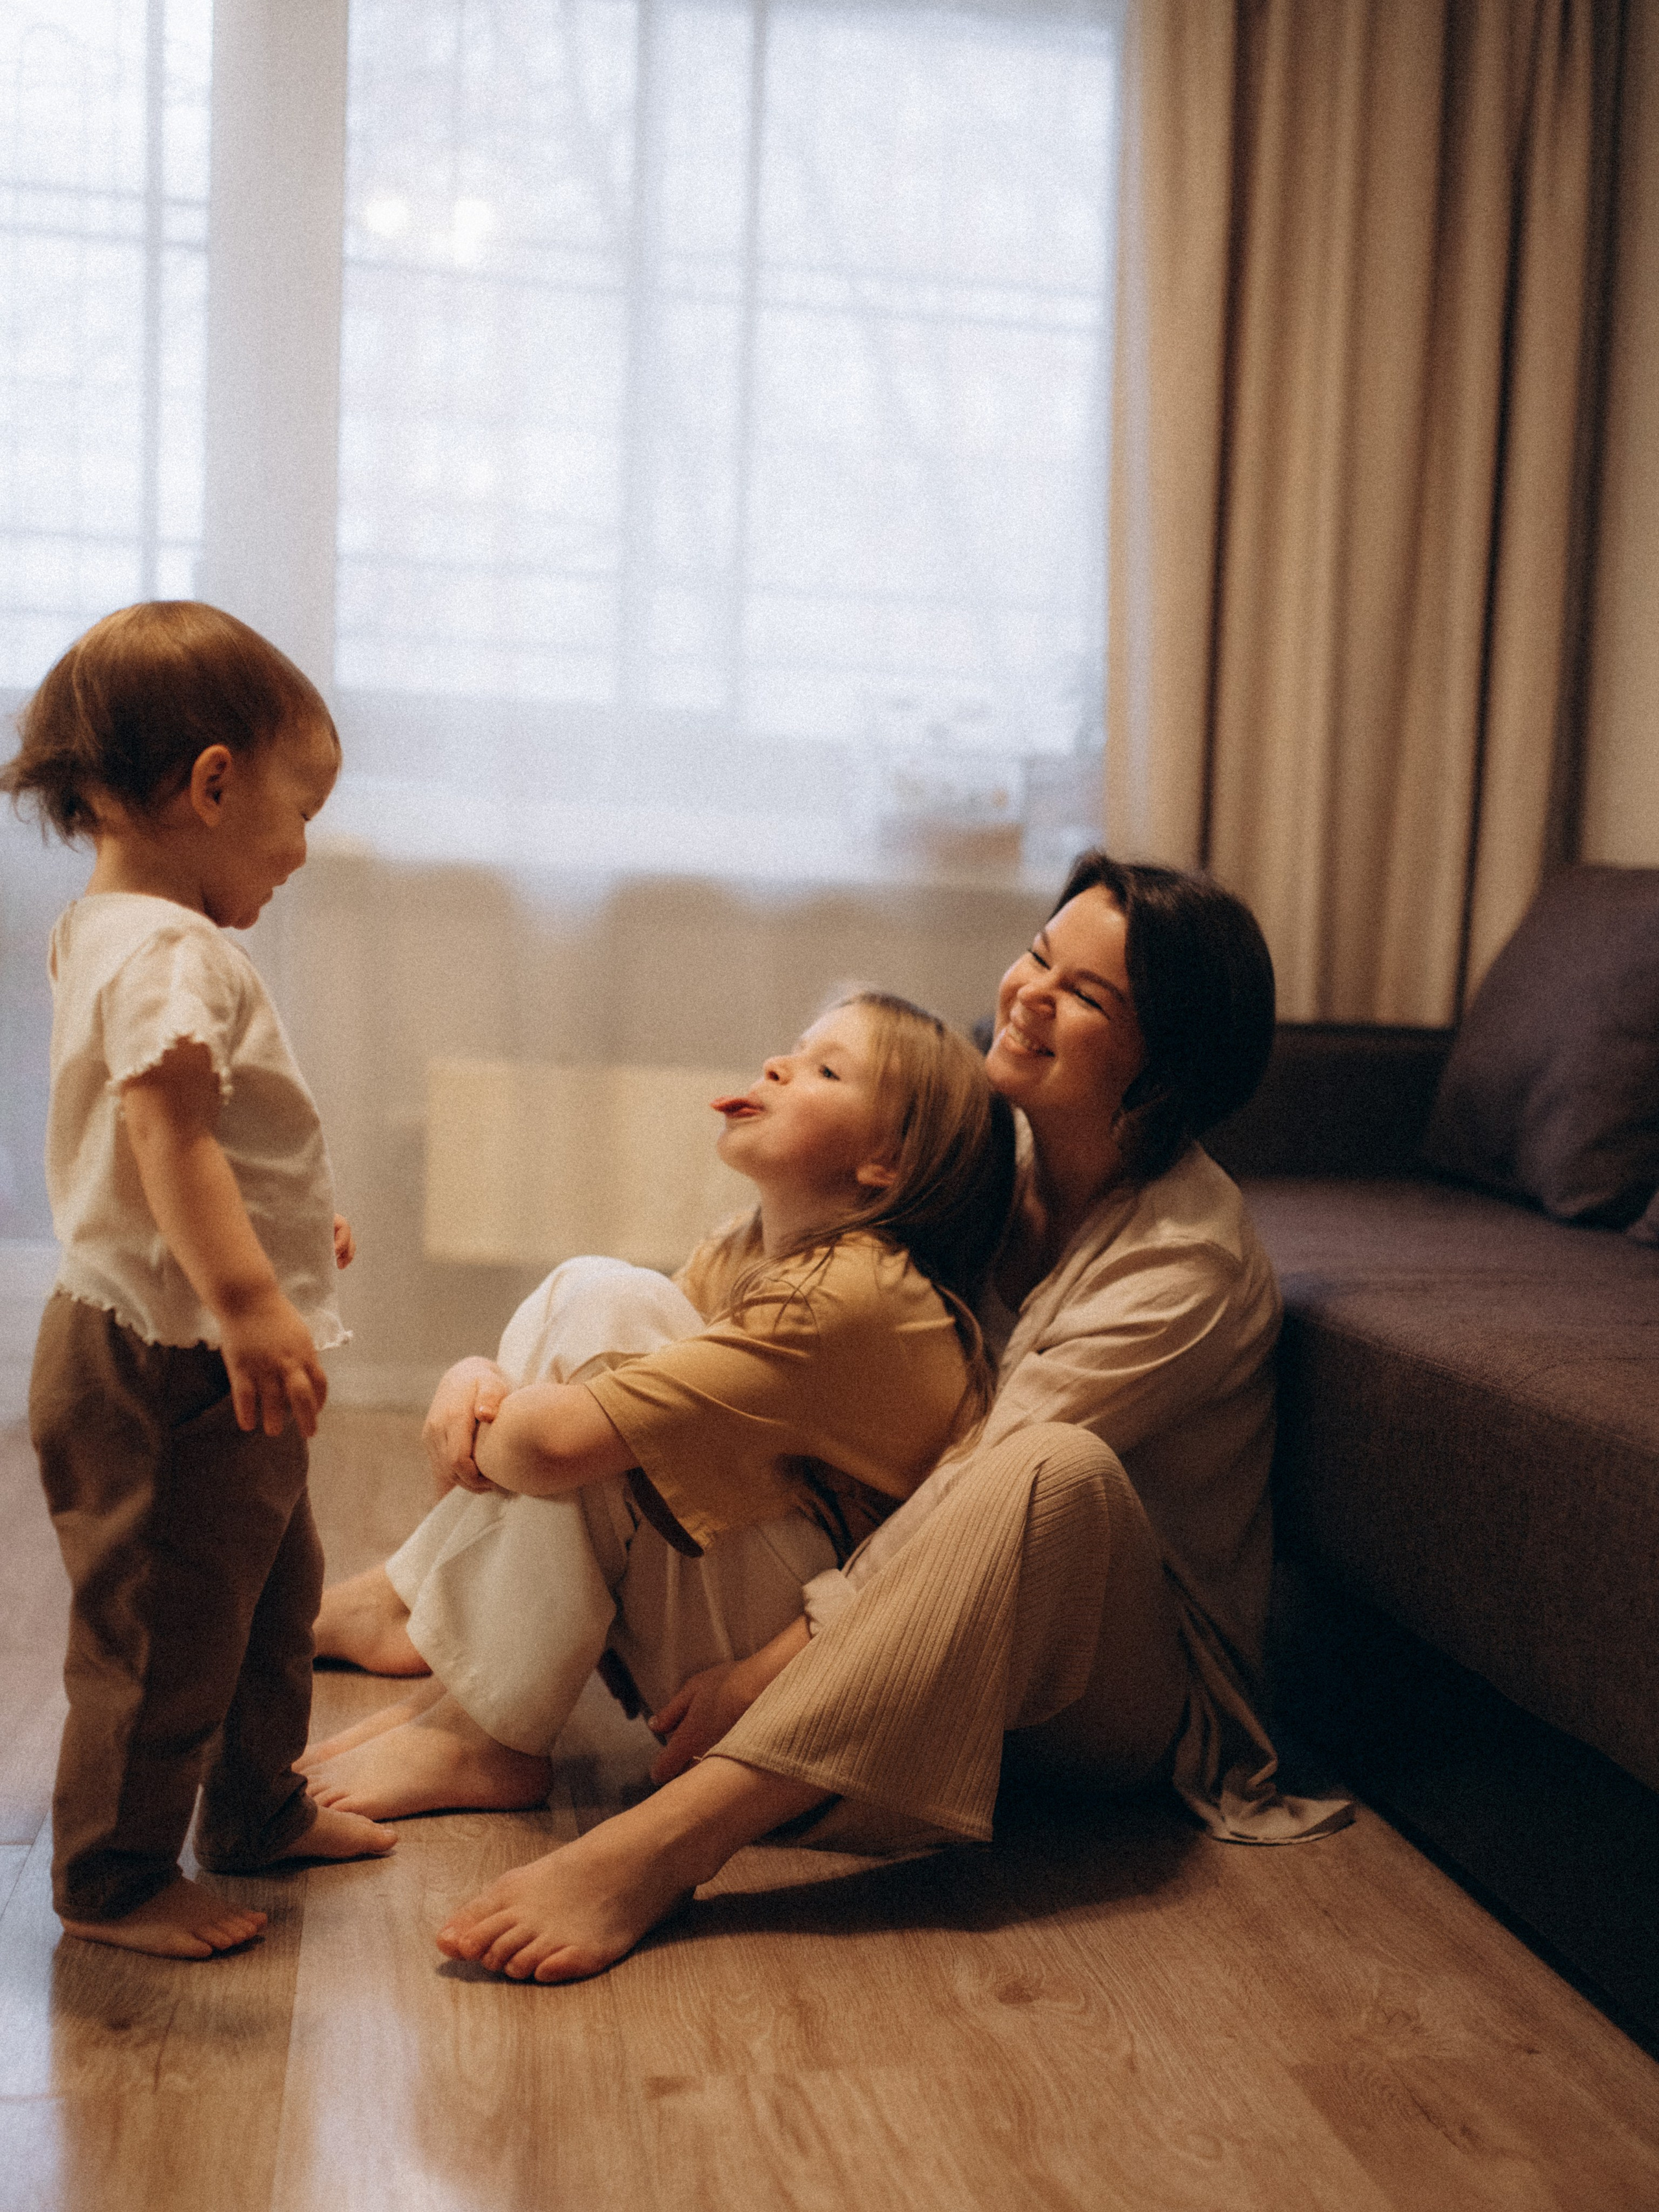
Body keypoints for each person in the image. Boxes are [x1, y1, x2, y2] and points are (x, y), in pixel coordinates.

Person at [430, 852, 1354, 1983]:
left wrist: (768, 1667)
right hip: (887, 1582)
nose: (1027, 992)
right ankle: (432, 1655)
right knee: (625, 1303)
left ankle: (669, 1847)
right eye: (1038, 955)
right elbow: (717, 1334)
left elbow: (982, 1484)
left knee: (1048, 1469)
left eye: (1087, 995)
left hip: (1117, 1683)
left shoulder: (1185, 1259)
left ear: (1165, 1067)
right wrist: (489, 1368)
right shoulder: (973, 1157)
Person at [301, 989, 1016, 1822]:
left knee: (608, 1303)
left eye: (826, 1069)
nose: (777, 1065)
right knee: (600, 1308)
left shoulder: (855, 1296)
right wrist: (474, 1375)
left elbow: (553, 1446)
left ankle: (473, 1720)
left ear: (886, 1162)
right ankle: (423, 1634)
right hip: (762, 1618)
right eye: (793, 1046)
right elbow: (596, 1391)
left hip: (822, 1696)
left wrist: (477, 1417)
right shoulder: (748, 1248)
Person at [2, 601, 395, 1962]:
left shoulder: (101, 927)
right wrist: (247, 1300)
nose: (299, 849)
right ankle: (112, 1874)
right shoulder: (172, 949)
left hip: (186, 1325)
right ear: (215, 781)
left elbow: (191, 1142)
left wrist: (286, 1239)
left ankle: (254, 1804)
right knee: (167, 1628)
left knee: (273, 1589)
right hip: (167, 1354)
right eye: (299, 811)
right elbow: (165, 1131)